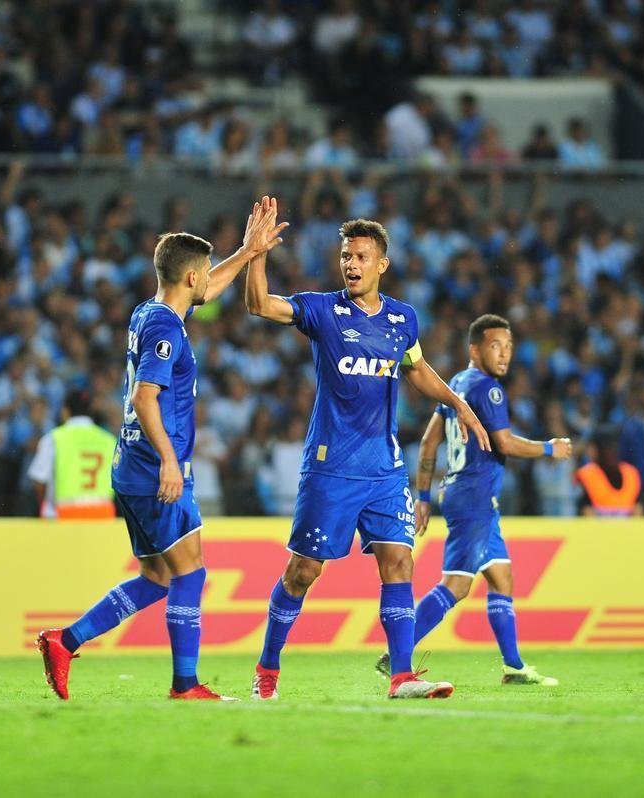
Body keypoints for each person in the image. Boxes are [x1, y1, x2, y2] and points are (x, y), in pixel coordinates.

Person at [36, 200, 286, 701]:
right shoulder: (167, 328)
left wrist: (246, 252)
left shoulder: (150, 312)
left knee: (156, 577)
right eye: (204, 273)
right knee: (191, 572)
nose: (208, 282)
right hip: (155, 469)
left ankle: (65, 641)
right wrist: (170, 461)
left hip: (131, 467)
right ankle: (185, 684)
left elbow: (209, 289)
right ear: (191, 277)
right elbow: (144, 396)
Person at [244, 211, 490, 700]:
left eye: (360, 256)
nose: (351, 264)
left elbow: (416, 369)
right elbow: (259, 305)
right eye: (345, 256)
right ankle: (267, 669)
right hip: (331, 467)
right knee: (303, 572)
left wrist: (457, 403)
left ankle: (402, 677)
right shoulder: (323, 311)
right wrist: (256, 255)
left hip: (384, 468)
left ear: (382, 264)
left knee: (399, 561)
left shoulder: (403, 319)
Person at [374, 314, 571, 685]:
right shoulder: (487, 388)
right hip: (474, 496)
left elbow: (429, 442)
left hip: (467, 495)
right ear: (475, 349)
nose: (504, 354)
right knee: (457, 585)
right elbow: (505, 443)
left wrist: (424, 496)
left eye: (508, 347)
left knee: (501, 576)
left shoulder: (456, 384)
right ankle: (397, 653)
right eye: (495, 346)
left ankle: (513, 667)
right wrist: (550, 448)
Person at [26, 388, 118, 519]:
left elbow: (39, 482)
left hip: (65, 514)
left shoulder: (54, 439)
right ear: (91, 410)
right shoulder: (109, 440)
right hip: (102, 513)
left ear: (65, 411)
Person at [577, 429, 643, 517]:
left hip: (628, 525)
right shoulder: (587, 473)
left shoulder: (630, 472)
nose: (613, 451)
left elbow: (638, 507)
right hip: (596, 525)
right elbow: (585, 509)